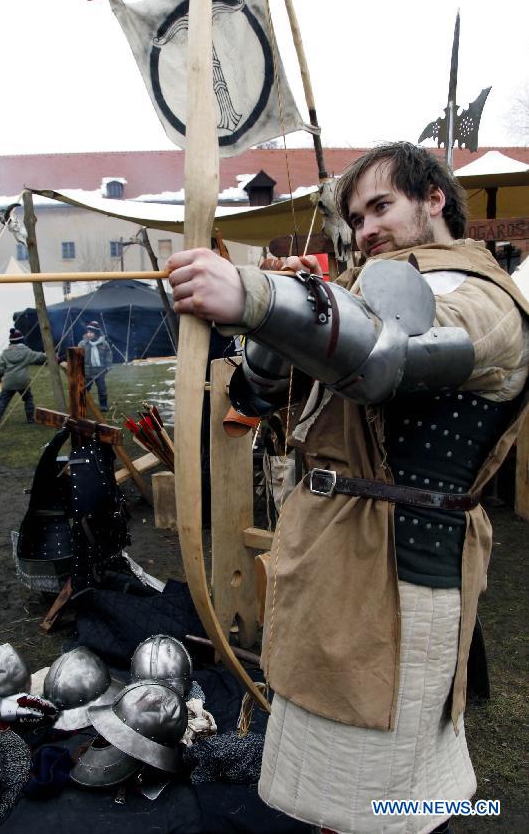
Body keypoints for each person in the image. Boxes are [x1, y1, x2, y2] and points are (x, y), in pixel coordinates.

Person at [166, 142, 528, 834]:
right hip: (333, 561)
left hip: (401, 577)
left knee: (389, 799)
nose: (365, 230)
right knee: (336, 797)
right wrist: (286, 312)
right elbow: (260, 389)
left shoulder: (484, 300)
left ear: (434, 200)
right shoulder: (368, 289)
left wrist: (258, 296)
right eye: (356, 217)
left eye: (381, 206)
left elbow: (386, 358)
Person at [0, 328, 46, 427]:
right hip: (23, 381)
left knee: (3, 401)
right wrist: (51, 355)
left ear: (11, 341)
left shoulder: (5, 353)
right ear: (21, 340)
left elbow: (1, 368)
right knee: (28, 399)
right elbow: (40, 357)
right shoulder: (26, 352)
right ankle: (30, 418)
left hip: (9, 382)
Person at [78, 320, 113, 413]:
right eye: (88, 332)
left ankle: (103, 405)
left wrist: (108, 366)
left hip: (100, 371)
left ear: (97, 333)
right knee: (85, 389)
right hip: (87, 371)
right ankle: (83, 405)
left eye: (91, 332)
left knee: (102, 389)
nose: (89, 334)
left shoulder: (104, 344)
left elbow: (108, 356)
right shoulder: (82, 344)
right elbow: (78, 358)